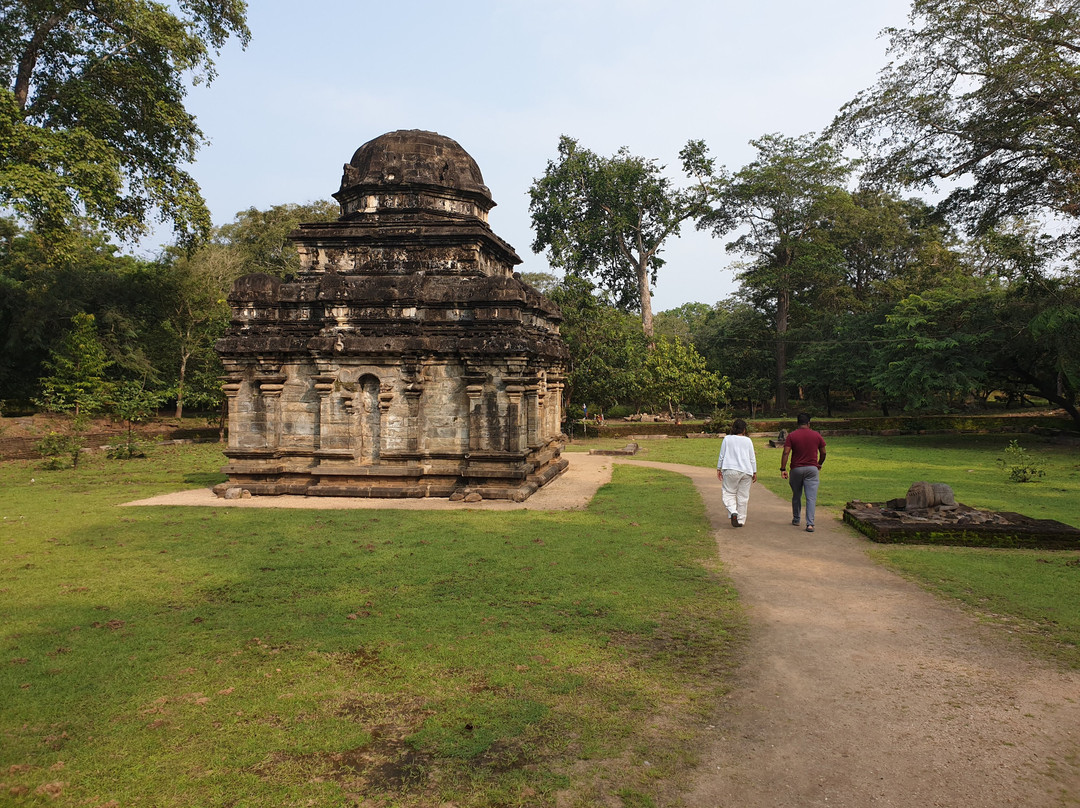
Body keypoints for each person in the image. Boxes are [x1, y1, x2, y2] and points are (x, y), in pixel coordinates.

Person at [780, 412, 827, 532]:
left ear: (797, 423)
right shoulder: (816, 435)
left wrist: (783, 468)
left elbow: (786, 452)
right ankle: (810, 524)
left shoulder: (792, 436)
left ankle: (796, 519)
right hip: (812, 468)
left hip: (796, 469)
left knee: (797, 494)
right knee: (811, 497)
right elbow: (823, 452)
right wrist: (819, 463)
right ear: (809, 423)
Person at [717, 418, 757, 527]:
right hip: (746, 471)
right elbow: (752, 458)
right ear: (744, 429)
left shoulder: (727, 439)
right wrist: (754, 471)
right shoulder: (748, 440)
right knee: (743, 496)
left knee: (728, 493)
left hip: (730, 469)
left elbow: (722, 455)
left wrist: (719, 468)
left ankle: (733, 511)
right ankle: (740, 520)